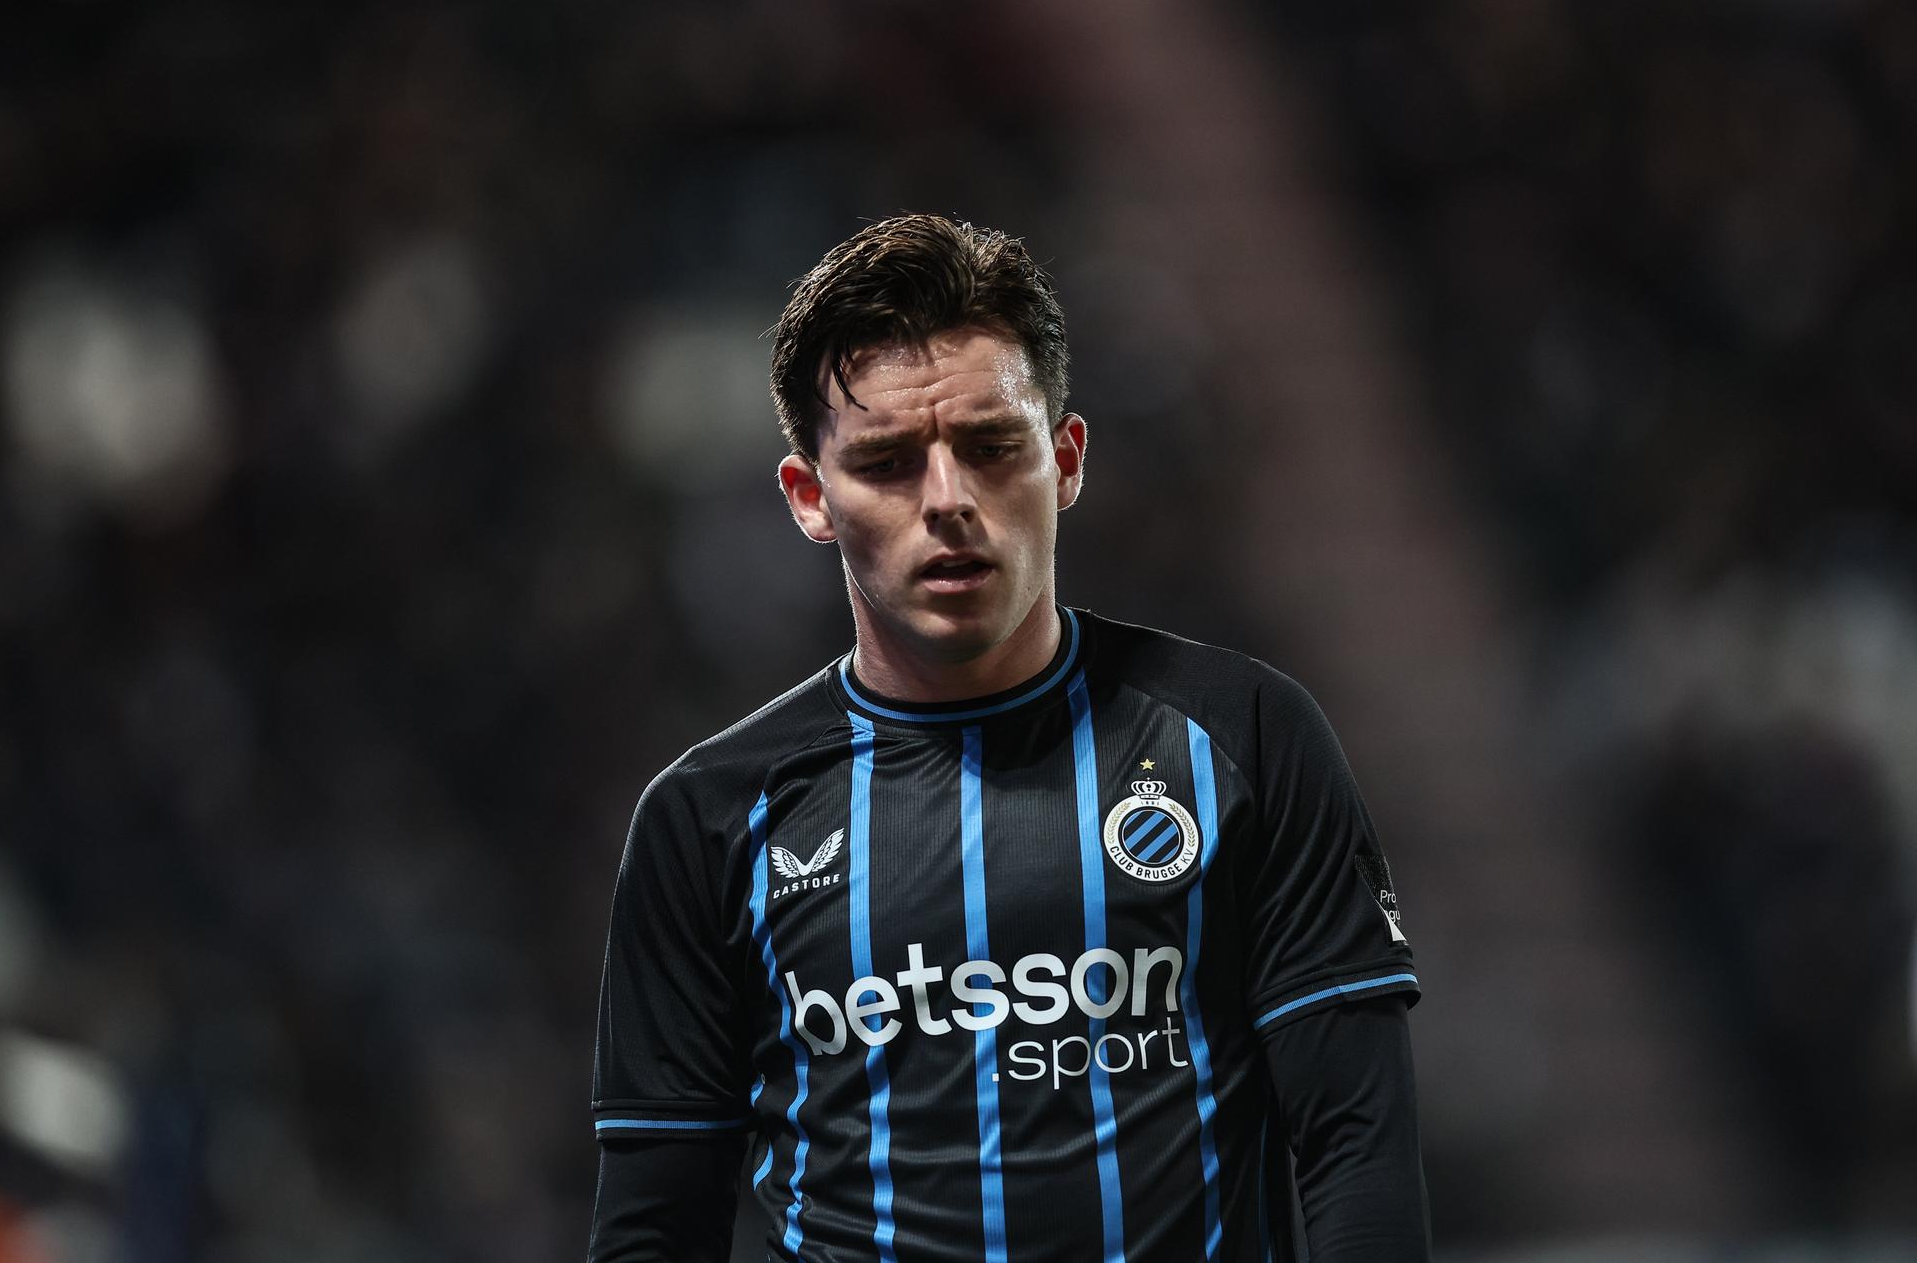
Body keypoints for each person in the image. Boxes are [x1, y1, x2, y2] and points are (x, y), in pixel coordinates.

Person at [587, 214, 1430, 1262]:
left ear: (1065, 459)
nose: (949, 500)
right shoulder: (707, 817)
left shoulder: (1244, 735)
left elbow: (1358, 1150)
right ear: (810, 498)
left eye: (992, 447)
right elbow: (654, 1227)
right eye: (889, 462)